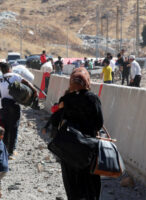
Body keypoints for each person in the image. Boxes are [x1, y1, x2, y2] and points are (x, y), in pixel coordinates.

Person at [51, 67, 103, 200]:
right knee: (90, 181)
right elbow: (99, 123)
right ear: (87, 82)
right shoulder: (93, 98)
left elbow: (55, 120)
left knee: (71, 182)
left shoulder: (66, 99)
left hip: (69, 147)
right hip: (88, 147)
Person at [0, 62, 37, 160]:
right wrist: (34, 90)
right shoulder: (14, 76)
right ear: (9, 69)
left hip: (2, 107)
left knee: (5, 129)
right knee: (14, 128)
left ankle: (4, 150)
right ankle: (11, 152)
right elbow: (27, 83)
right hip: (14, 106)